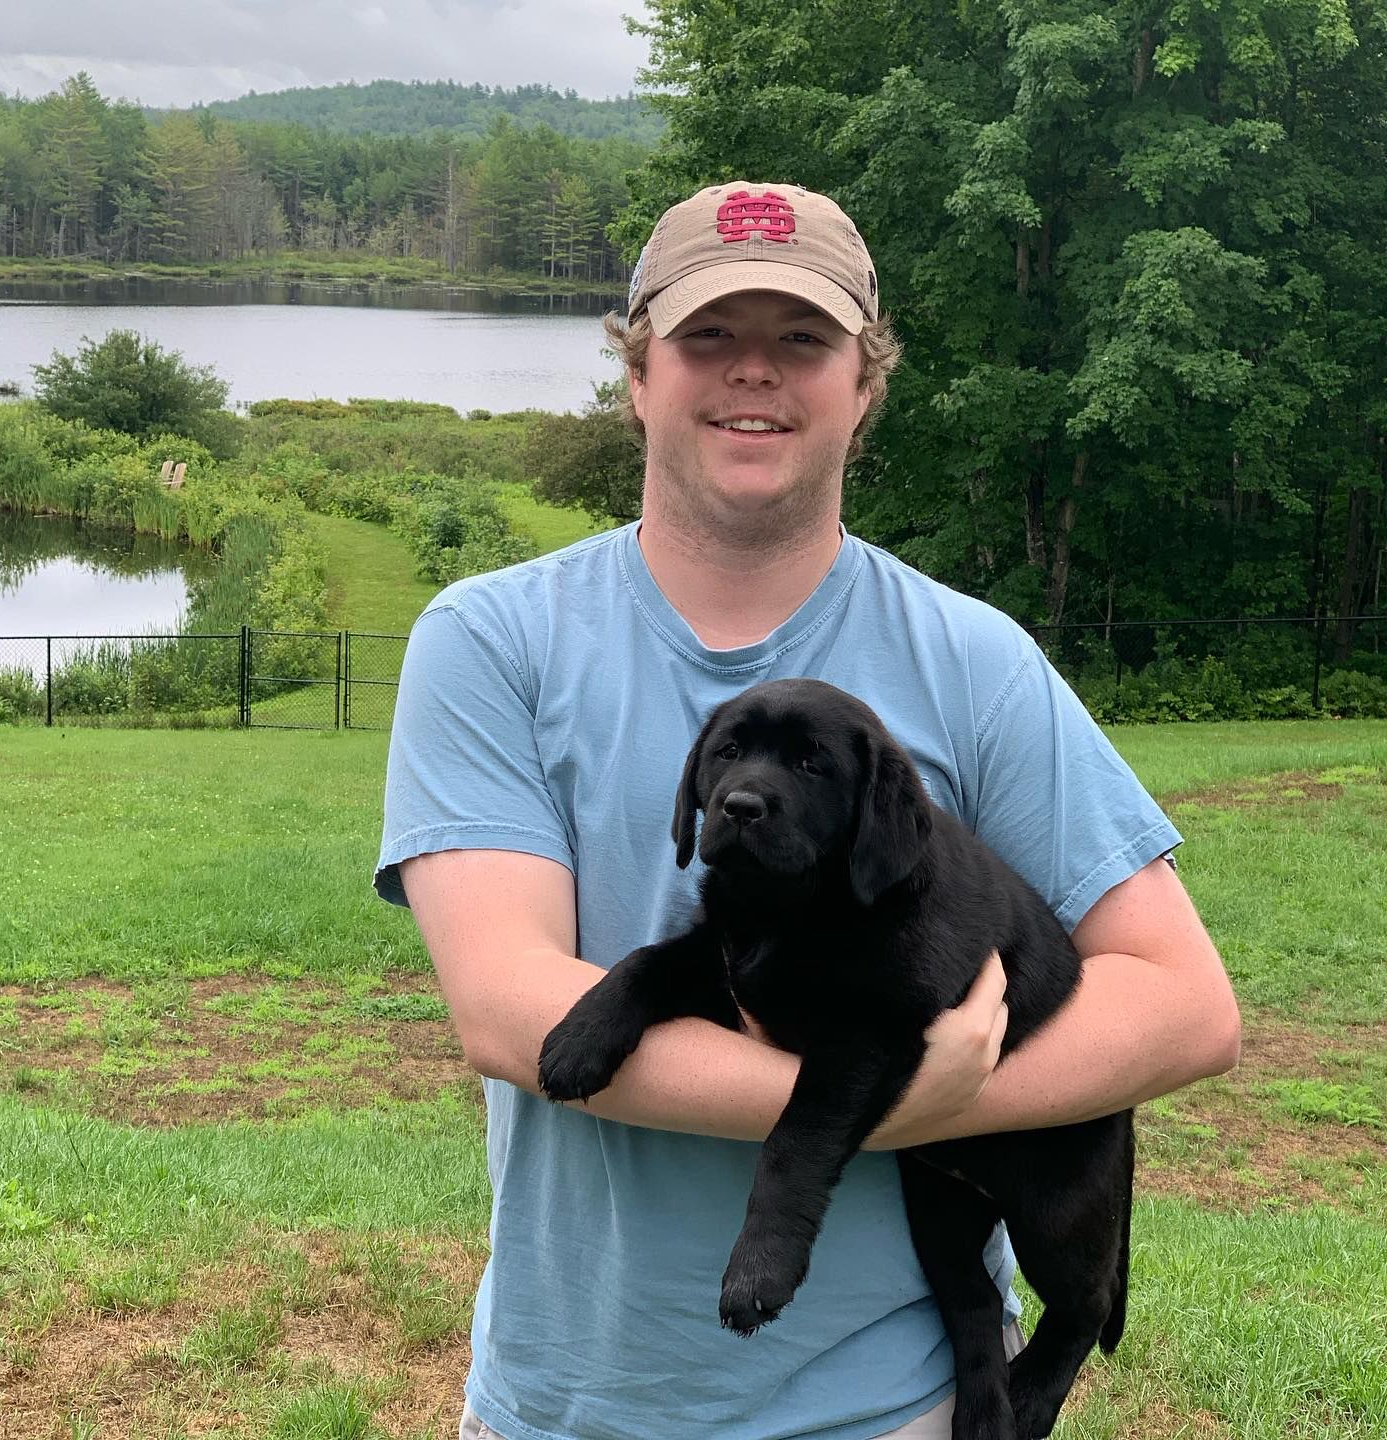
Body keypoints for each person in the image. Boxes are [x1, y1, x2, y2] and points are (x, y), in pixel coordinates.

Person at [374, 182, 1241, 1440]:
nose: (754, 373)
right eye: (709, 336)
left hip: (895, 1407)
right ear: (637, 374)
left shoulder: (973, 660)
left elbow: (1187, 1005)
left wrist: (929, 1096)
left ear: (864, 384)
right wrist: (890, 1101)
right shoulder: (493, 640)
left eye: (802, 339)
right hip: (569, 1403)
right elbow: (512, 1009)